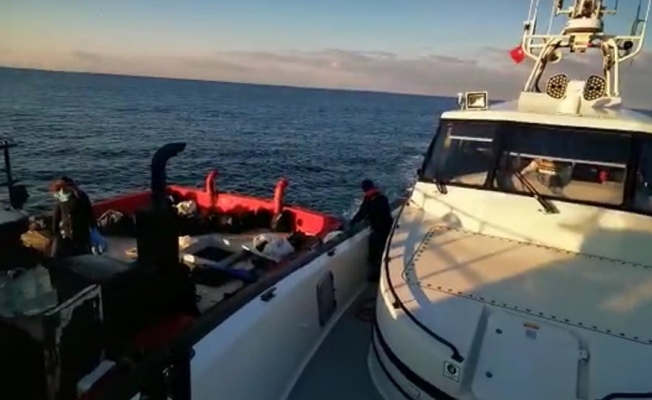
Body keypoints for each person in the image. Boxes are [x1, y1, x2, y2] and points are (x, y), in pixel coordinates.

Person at [350, 179, 393, 282]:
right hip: (388, 227)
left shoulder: (369, 200)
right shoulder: (382, 197)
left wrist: (351, 223)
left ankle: (375, 276)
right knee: (385, 250)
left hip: (378, 230)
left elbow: (361, 214)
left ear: (364, 189)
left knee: (374, 254)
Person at [50, 177, 98, 258]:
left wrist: (94, 229)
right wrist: (56, 233)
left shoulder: (80, 197)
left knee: (82, 254)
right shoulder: (61, 198)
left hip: (79, 234)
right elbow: (56, 217)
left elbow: (89, 213)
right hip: (67, 234)